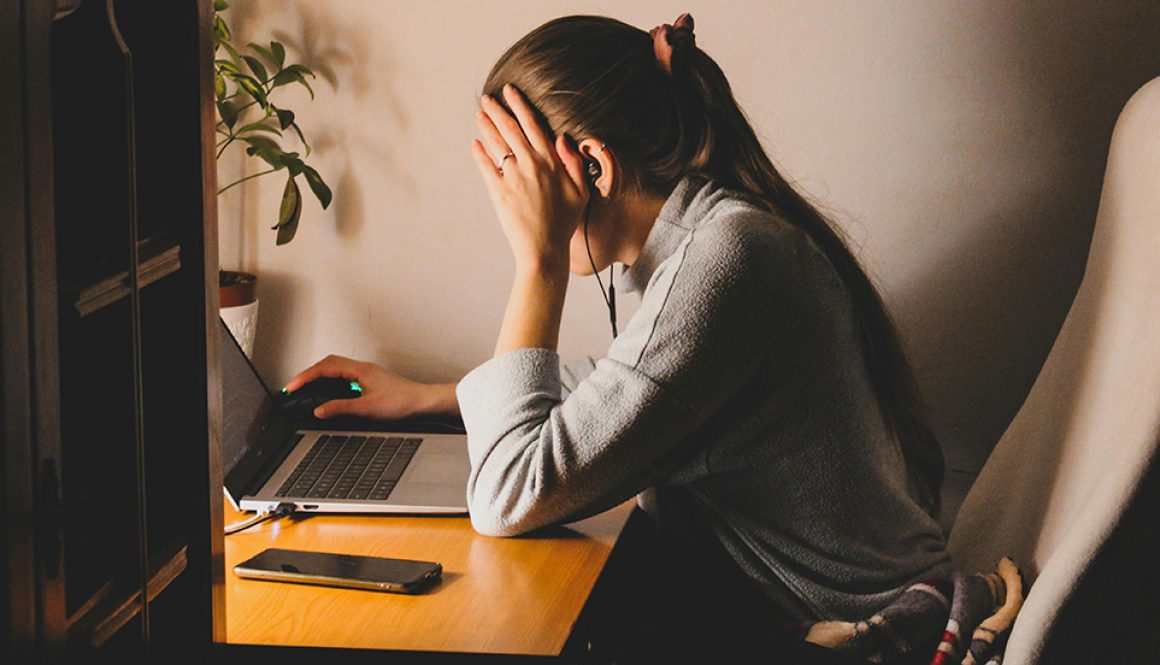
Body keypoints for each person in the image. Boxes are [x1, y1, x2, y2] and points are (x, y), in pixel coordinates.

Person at [286, 12, 953, 660]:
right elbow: (627, 388)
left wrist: (540, 261)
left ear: (590, 168)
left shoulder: (724, 262)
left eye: (513, 175)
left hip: (846, 632)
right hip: (784, 608)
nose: (504, 203)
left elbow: (507, 495)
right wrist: (428, 396)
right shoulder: (716, 235)